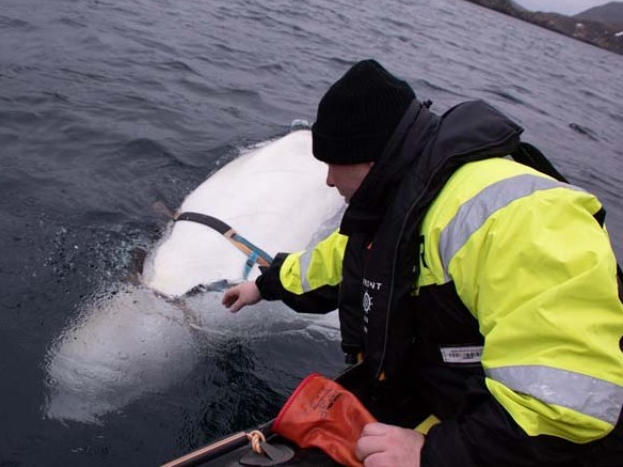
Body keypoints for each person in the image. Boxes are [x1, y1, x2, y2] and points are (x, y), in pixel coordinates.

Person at [222, 60, 623, 467]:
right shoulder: (407, 199)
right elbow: (343, 262)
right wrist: (266, 285)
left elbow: (567, 408)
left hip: (523, 445)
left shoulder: (522, 218)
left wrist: (431, 455)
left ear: (370, 157)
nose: (327, 180)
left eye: (333, 163)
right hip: (453, 404)